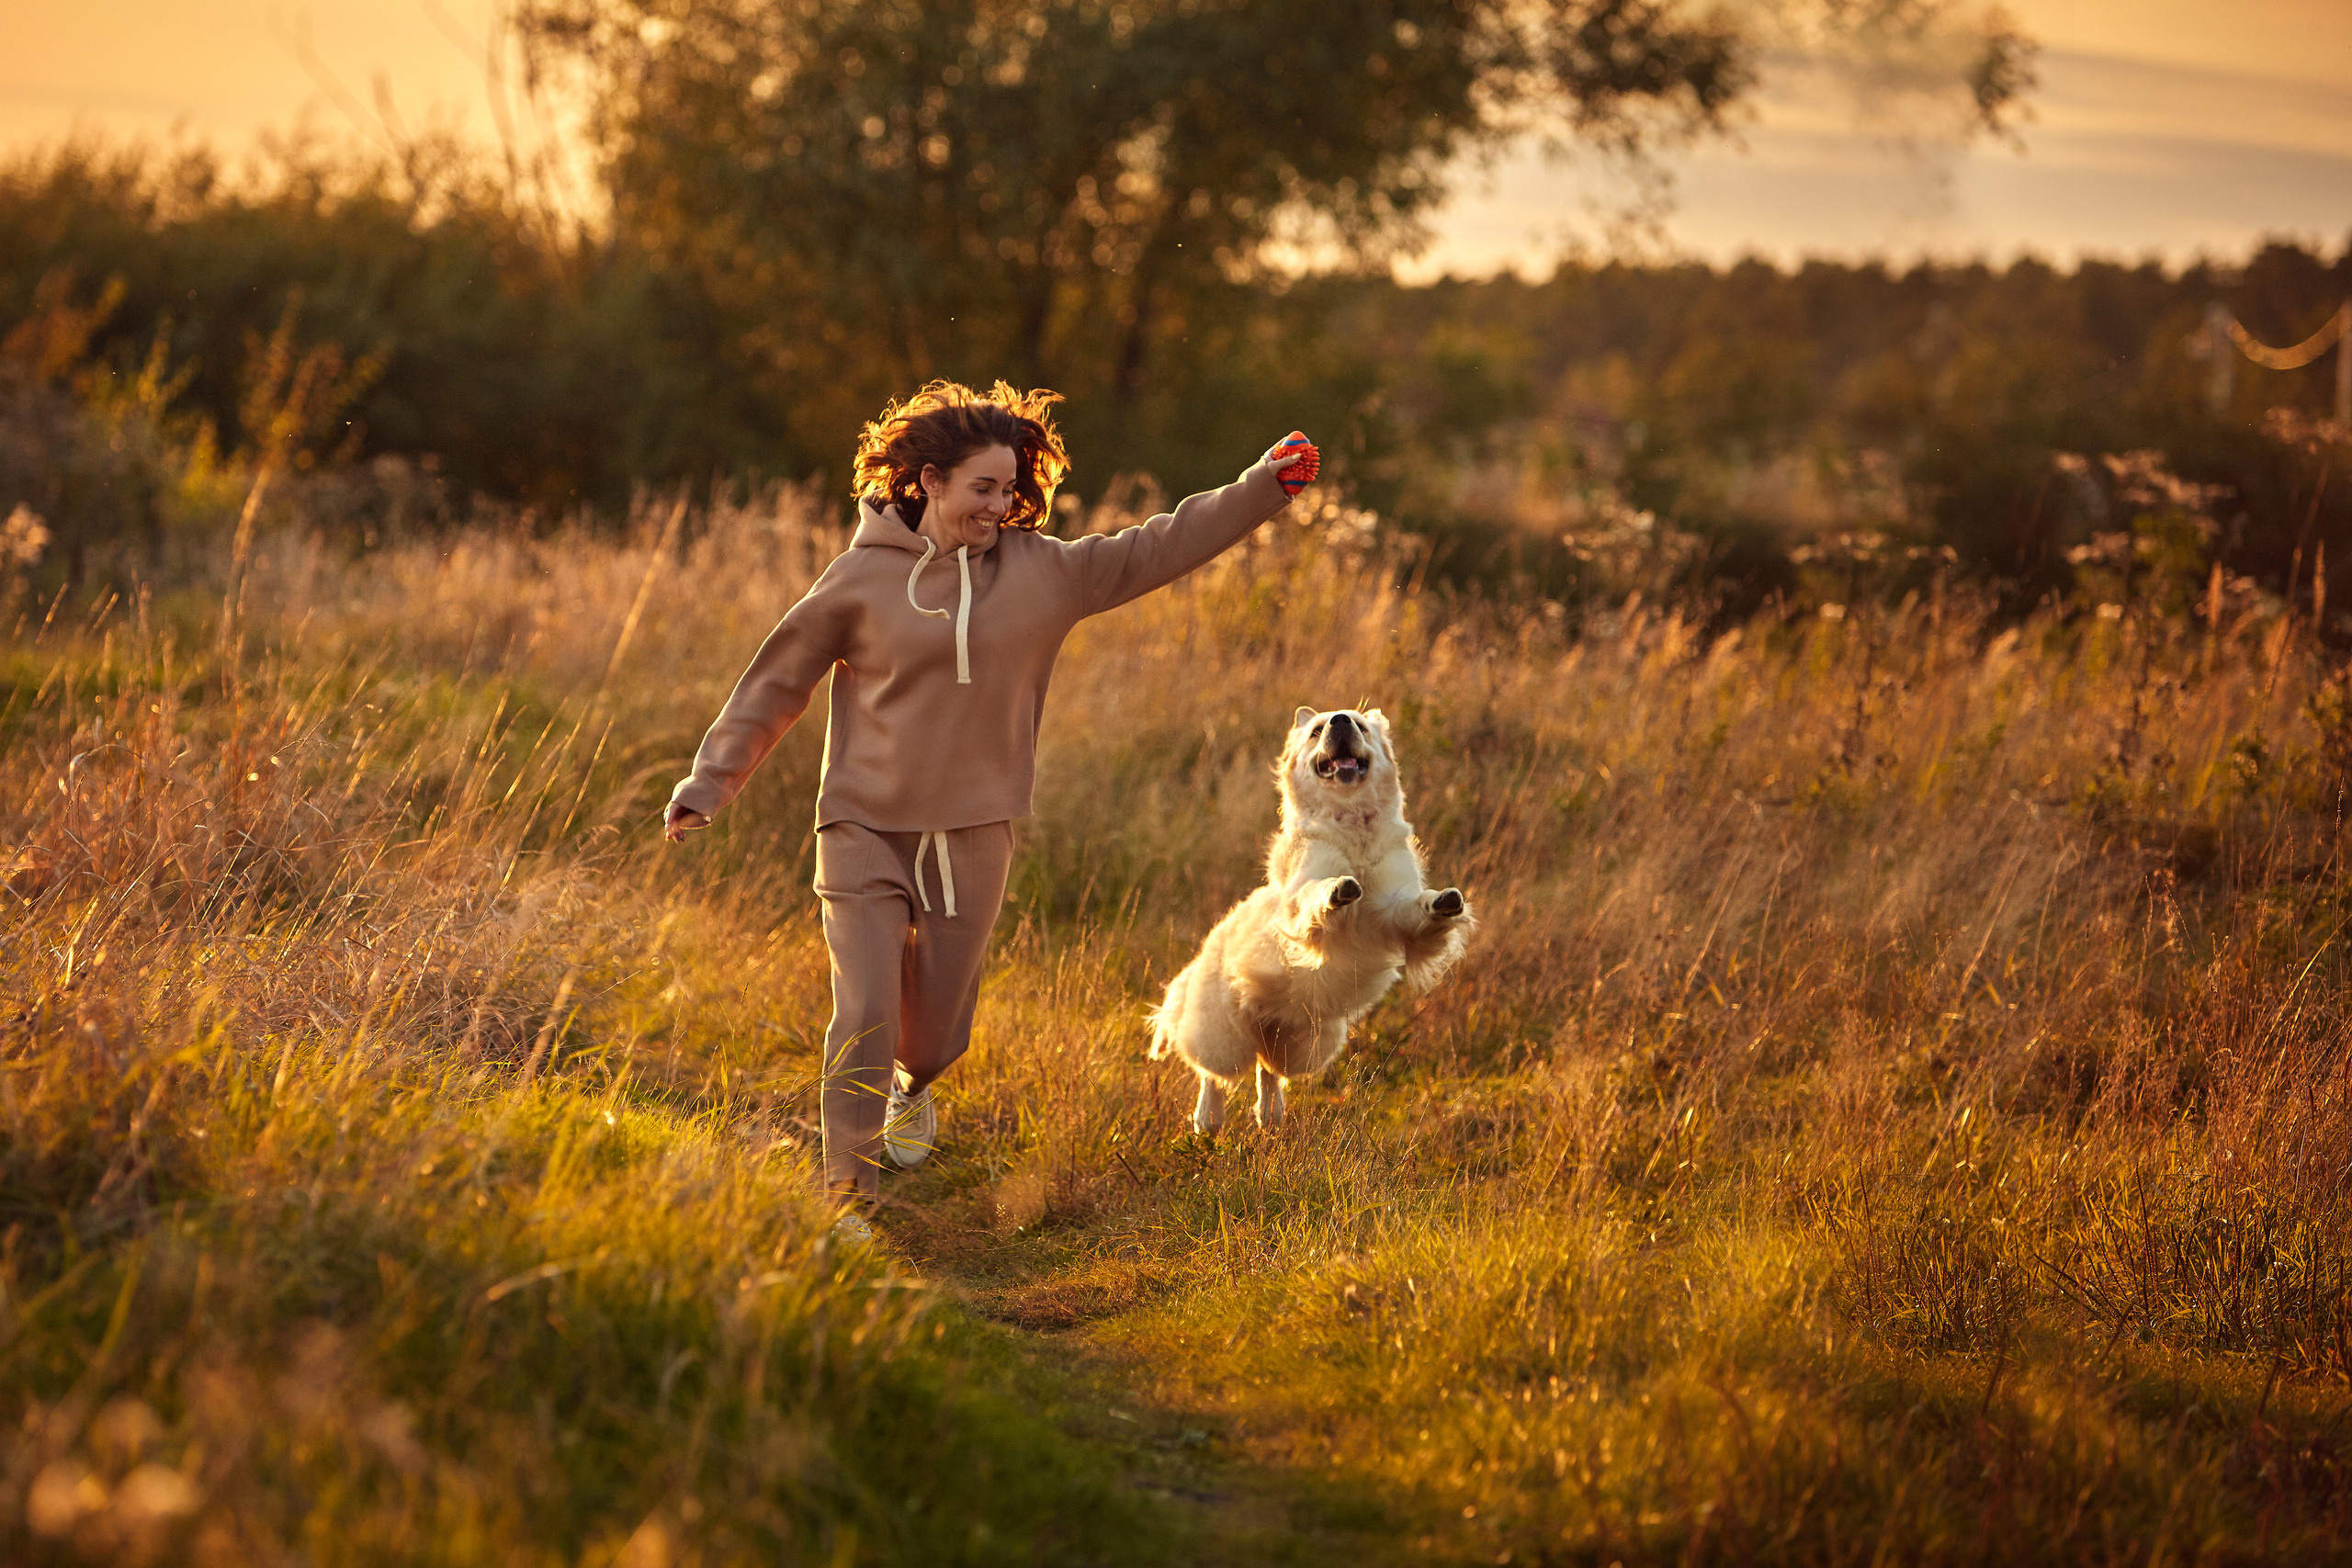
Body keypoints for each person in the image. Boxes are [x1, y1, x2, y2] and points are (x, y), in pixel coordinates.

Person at [664, 379, 1312, 1237]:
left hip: (975, 827)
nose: (1000, 505)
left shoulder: (1046, 574)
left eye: (1010, 490)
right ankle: (844, 1198)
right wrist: (709, 783)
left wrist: (1264, 483)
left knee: (931, 1034)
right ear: (929, 481)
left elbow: (1163, 544)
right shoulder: (858, 581)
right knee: (861, 1007)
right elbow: (774, 683)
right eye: (983, 488)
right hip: (860, 825)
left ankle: (913, 1085)